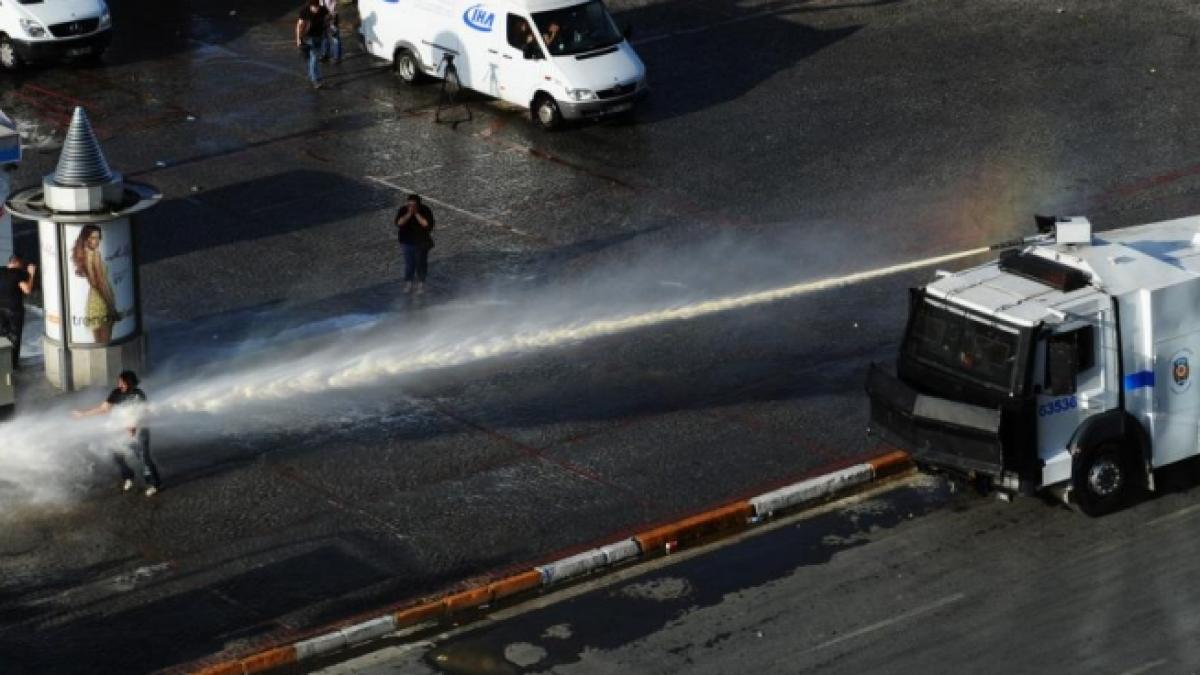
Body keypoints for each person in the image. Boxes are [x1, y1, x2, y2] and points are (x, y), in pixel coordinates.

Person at [73, 370, 161, 497]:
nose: (120, 385)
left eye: (123, 383)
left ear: (130, 382)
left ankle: (154, 484)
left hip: (140, 430)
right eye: (119, 382)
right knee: (117, 455)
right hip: (122, 429)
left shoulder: (138, 394)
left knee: (143, 457)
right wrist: (83, 415)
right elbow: (104, 408)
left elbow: (143, 412)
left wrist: (133, 426)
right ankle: (128, 477)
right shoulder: (116, 392)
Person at [71, 224, 120, 343]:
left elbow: (93, 281)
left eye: (98, 237)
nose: (96, 241)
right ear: (86, 238)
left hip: (93, 302)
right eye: (93, 238)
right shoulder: (95, 255)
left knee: (98, 342)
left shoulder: (83, 254)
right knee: (106, 342)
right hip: (102, 300)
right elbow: (100, 282)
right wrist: (111, 306)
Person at [394, 194, 435, 294]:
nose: (411, 207)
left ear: (418, 205)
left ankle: (421, 284)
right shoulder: (403, 210)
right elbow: (399, 223)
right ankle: (409, 283)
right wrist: (409, 214)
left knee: (420, 263)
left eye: (413, 205)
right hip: (407, 242)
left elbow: (426, 224)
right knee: (409, 264)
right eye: (409, 205)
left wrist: (416, 214)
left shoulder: (425, 210)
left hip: (421, 242)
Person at [0, 255, 35, 369]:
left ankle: (3, 364)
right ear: (18, 264)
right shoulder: (18, 273)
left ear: (9, 262)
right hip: (14, 311)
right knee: (14, 338)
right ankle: (13, 365)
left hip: (1, 310)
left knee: (3, 337)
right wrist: (31, 274)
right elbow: (27, 290)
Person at [296, 0, 331, 89]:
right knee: (313, 57)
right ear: (310, 5)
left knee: (312, 58)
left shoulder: (323, 9)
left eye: (318, 6)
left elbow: (328, 18)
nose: (317, 9)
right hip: (308, 37)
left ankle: (312, 75)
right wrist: (298, 39)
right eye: (315, 7)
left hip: (318, 36)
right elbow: (299, 25)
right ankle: (315, 79)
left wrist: (328, 26)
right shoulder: (304, 11)